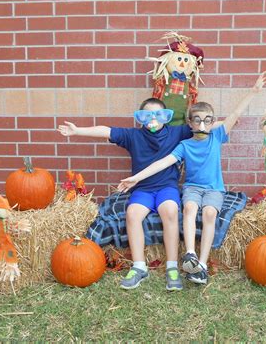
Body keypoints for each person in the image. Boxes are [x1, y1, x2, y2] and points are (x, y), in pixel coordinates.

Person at [118, 72, 266, 285]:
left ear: (212, 122)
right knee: (189, 208)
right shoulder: (184, 145)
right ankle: (189, 253)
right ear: (189, 123)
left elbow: (234, 114)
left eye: (207, 121)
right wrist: (136, 178)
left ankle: (202, 265)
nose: (201, 125)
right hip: (192, 188)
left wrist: (253, 92)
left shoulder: (217, 136)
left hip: (214, 189)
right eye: (197, 121)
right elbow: (162, 163)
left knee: (209, 213)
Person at [57, 98, 193, 291]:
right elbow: (107, 131)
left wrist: (228, 121)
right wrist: (78, 130)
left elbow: (203, 126)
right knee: (132, 214)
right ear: (140, 118)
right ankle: (139, 267)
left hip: (167, 188)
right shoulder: (133, 136)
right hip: (143, 189)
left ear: (166, 117)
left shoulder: (177, 132)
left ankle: (172, 267)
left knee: (170, 211)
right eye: (147, 115)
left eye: (158, 115)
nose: (153, 120)